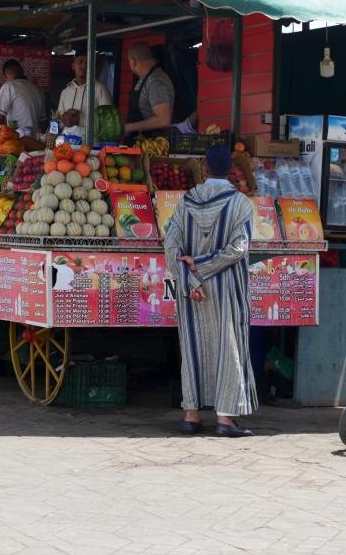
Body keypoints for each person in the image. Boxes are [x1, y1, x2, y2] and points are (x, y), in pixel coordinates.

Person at [164, 145, 258, 438]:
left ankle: (191, 415)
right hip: (226, 288)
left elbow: (171, 247)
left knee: (193, 349)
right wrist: (203, 268)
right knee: (228, 349)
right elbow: (239, 249)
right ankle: (225, 420)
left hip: (193, 293)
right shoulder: (241, 204)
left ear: (204, 169)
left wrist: (191, 280)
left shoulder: (184, 203)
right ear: (230, 170)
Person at [57, 53, 113, 144]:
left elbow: (108, 123)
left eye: (87, 63)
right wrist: (65, 118)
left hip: (91, 147)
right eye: (80, 61)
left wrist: (80, 120)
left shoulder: (100, 89)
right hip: (66, 146)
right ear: (73, 66)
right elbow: (58, 121)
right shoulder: (65, 92)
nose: (84, 66)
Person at [124, 41, 175, 137]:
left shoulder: (155, 81)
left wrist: (128, 127)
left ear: (133, 62)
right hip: (138, 144)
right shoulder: (144, 79)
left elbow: (163, 119)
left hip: (151, 146)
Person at [0, 59, 45, 137]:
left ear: (5, 77)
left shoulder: (9, 86)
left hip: (16, 141)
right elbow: (43, 123)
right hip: (34, 142)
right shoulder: (37, 90)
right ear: (22, 72)